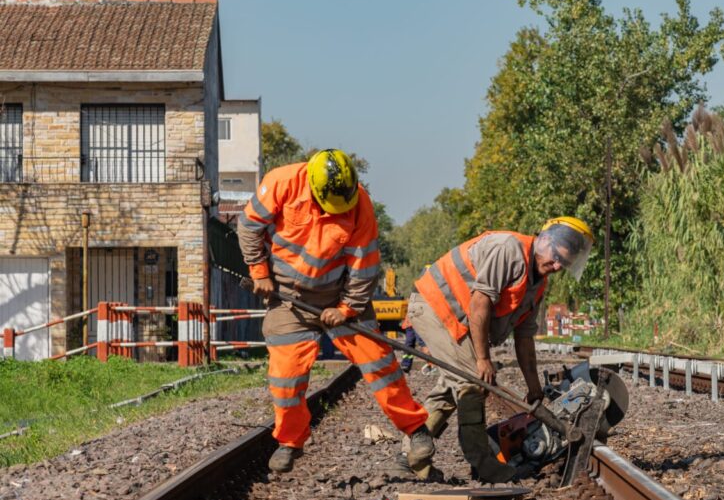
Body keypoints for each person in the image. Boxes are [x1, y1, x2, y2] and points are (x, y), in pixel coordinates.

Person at [237, 149, 435, 473]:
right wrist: (259, 272)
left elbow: (364, 264)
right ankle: (290, 441)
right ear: (313, 187)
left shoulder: (360, 204)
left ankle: (416, 430)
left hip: (340, 296)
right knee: (285, 378)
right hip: (288, 300)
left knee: (380, 363)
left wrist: (347, 308)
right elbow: (248, 227)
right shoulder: (280, 183)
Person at [396, 217, 594, 482]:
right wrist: (482, 359)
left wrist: (533, 387)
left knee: (450, 389)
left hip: (456, 319)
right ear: (544, 240)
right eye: (556, 257)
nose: (557, 266)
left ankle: (410, 457)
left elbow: (524, 337)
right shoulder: (509, 250)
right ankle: (485, 466)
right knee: (473, 383)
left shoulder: (537, 285)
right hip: (435, 307)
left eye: (564, 264)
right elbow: (480, 304)